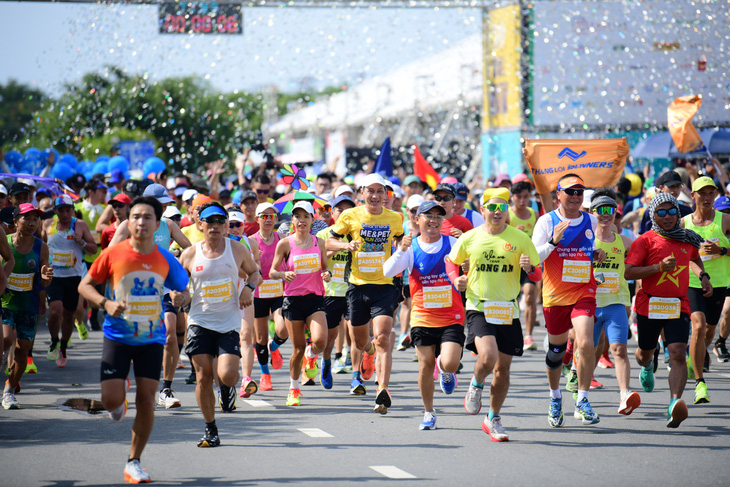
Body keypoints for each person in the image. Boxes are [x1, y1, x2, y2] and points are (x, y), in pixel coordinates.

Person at [78, 196, 189, 483]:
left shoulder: (165, 258)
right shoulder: (114, 253)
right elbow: (85, 285)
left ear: (158, 223)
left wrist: (181, 297)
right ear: (130, 221)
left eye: (147, 217)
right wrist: (105, 303)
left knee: (146, 400)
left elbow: (185, 290)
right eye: (136, 216)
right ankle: (118, 403)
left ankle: (134, 461)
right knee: (112, 401)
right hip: (117, 336)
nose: (140, 221)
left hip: (151, 340)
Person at [449, 188, 540, 440]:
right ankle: (477, 382)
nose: (497, 212)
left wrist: (529, 267)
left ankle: (492, 418)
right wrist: (457, 278)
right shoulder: (469, 237)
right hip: (479, 306)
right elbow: (451, 261)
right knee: (487, 357)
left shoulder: (519, 238)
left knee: (502, 370)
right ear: (483, 210)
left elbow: (536, 272)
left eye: (502, 208)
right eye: (492, 207)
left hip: (508, 308)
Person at [625, 192, 710, 428]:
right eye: (661, 212)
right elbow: (629, 272)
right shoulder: (645, 241)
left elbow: (694, 258)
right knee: (644, 354)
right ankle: (646, 365)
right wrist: (658, 267)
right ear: (653, 214)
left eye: (672, 211)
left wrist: (703, 276)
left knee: (677, 352)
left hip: (678, 304)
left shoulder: (686, 239)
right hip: (650, 304)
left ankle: (674, 403)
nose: (668, 216)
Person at [179, 202, 260, 447]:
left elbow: (255, 273)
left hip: (228, 322)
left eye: (219, 221)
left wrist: (248, 288)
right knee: (203, 376)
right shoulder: (190, 254)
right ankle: (210, 428)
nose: (214, 226)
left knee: (227, 375)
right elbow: (181, 289)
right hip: (200, 321)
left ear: (226, 225)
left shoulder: (236, 250)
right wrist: (180, 297)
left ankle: (226, 388)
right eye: (209, 221)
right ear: (200, 224)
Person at [384, 201, 466, 430]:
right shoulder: (410, 247)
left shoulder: (453, 243)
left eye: (438, 216)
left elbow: (473, 264)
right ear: (417, 219)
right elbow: (387, 271)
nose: (433, 220)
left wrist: (466, 269)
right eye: (428, 216)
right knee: (424, 366)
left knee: (450, 363)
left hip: (451, 315)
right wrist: (400, 249)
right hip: (422, 317)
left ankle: (445, 369)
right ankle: (429, 412)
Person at [327, 173, 404, 414]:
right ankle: (368, 354)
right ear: (362, 193)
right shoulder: (350, 216)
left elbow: (402, 244)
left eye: (380, 191)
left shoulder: (395, 218)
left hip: (385, 286)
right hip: (357, 286)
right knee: (360, 341)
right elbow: (328, 243)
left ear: (386, 194)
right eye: (370, 191)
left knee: (382, 337)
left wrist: (404, 246)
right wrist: (345, 245)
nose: (375, 195)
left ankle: (383, 389)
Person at [532, 174, 605, 427]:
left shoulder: (591, 220)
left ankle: (582, 399)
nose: (575, 196)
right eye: (570, 191)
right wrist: (553, 242)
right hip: (554, 296)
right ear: (558, 195)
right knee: (556, 353)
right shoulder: (546, 221)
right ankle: (555, 397)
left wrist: (596, 253)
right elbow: (533, 257)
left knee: (586, 341)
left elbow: (588, 249)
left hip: (584, 291)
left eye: (579, 191)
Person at [270, 201, 330, 405]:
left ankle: (311, 355)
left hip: (315, 298)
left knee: (321, 340)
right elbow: (271, 271)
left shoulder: (318, 242)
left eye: (306, 216)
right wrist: (282, 274)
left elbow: (325, 268)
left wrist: (327, 273)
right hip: (293, 299)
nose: (301, 220)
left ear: (313, 219)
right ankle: (293, 389)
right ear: (292, 220)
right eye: (297, 216)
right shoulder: (285, 243)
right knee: (296, 349)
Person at [589, 189, 641, 415]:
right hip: (589, 303)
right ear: (593, 213)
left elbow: (643, 258)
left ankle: (624, 395)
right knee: (588, 350)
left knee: (618, 349)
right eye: (601, 210)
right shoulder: (586, 240)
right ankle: (580, 388)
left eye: (610, 210)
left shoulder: (625, 241)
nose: (606, 214)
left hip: (616, 303)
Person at [681, 176, 730, 404]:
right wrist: (701, 275)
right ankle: (700, 383)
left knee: (709, 332)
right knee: (698, 327)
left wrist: (722, 250)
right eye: (702, 193)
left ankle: (697, 358)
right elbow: (685, 257)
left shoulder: (725, 220)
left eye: (711, 193)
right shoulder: (684, 224)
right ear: (693, 196)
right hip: (693, 283)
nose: (707, 198)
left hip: (720, 283)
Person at [2, 204, 53, 409]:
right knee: (6, 338)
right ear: (15, 221)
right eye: (27, 218)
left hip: (28, 305)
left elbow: (45, 280)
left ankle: (9, 390)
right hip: (5, 302)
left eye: (35, 218)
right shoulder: (4, 241)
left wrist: (45, 277)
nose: (32, 223)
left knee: (23, 353)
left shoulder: (42, 247)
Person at [43, 195, 97, 367]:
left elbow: (93, 249)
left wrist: (81, 242)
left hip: (73, 277)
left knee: (68, 315)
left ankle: (63, 347)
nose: (65, 214)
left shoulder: (80, 225)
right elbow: (42, 247)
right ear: (55, 211)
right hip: (54, 276)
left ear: (73, 210)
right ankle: (53, 340)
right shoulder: (47, 225)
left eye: (69, 210)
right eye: (61, 210)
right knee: (55, 311)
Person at [317, 195, 357, 390]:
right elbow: (315, 261)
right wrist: (337, 247)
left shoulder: (357, 233)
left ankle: (356, 377)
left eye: (348, 209)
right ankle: (326, 362)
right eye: (339, 210)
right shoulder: (323, 235)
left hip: (353, 290)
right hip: (331, 292)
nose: (344, 213)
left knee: (357, 334)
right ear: (332, 213)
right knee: (330, 336)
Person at [251, 202, 288, 392]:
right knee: (260, 336)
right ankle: (265, 375)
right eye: (264, 216)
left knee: (283, 329)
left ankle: (274, 347)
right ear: (257, 219)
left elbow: (291, 261)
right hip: (258, 292)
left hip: (278, 290)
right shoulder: (250, 241)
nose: (268, 220)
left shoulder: (282, 239)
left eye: (271, 216)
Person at [508, 180, 539, 351]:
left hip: (528, 262)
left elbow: (540, 238)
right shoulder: (507, 216)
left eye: (525, 197)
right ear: (512, 197)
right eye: (518, 197)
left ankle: (528, 335)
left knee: (529, 296)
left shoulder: (534, 214)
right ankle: (512, 331)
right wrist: (513, 233)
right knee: (510, 298)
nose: (522, 200)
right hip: (510, 263)